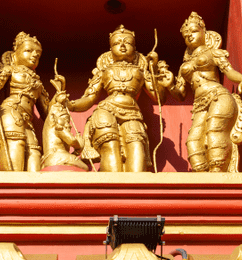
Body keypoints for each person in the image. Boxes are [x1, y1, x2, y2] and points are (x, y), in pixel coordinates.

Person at [64, 26, 172, 172]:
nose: (122, 46)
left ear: (134, 48)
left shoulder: (140, 71)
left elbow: (159, 98)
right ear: (110, 50)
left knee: (137, 149)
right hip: (106, 110)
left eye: (127, 42)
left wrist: (153, 69)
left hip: (132, 113)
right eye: (116, 43)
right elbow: (89, 98)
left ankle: (134, 190)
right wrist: (70, 105)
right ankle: (111, 187)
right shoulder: (104, 71)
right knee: (110, 146)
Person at [171, 12, 242, 172]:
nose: (189, 36)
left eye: (194, 31)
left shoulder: (213, 53)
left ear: (205, 33)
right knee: (193, 141)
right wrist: (168, 84)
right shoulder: (183, 66)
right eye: (186, 35)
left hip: (217, 97)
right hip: (200, 105)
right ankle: (203, 176)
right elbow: (180, 93)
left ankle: (218, 172)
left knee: (214, 132)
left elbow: (228, 71)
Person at [0, 32, 51, 172]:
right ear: (15, 53)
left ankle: (34, 188)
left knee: (34, 152)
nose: (34, 55)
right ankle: (9, 184)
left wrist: (60, 100)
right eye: (28, 51)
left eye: (37, 54)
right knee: (15, 143)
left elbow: (47, 113)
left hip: (28, 119)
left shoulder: (38, 82)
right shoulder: (10, 70)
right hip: (11, 111)